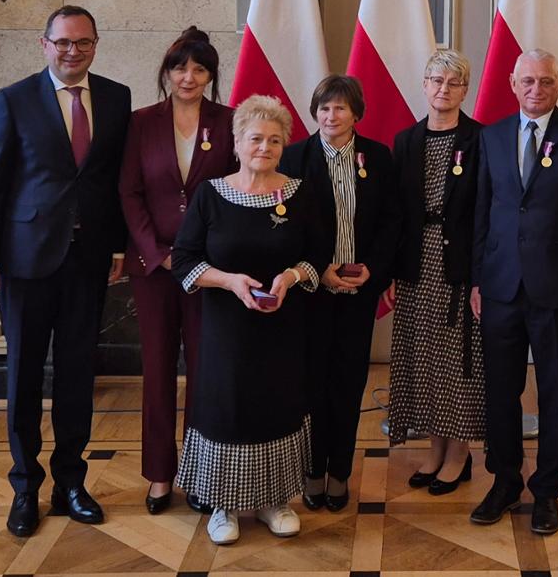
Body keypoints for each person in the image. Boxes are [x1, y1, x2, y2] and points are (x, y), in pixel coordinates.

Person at [0, 5, 131, 538]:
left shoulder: (116, 97)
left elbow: (114, 182)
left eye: (83, 42)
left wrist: (119, 247)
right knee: (24, 378)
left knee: (79, 377)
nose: (72, 51)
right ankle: (24, 488)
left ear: (95, 44)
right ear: (44, 45)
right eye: (62, 42)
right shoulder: (13, 99)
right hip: (25, 261)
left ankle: (70, 483)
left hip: (87, 263)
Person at [170, 95, 330, 545]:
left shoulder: (300, 194)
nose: (265, 147)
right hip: (226, 330)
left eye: (275, 141)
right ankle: (223, 504)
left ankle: (274, 501)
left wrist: (292, 276)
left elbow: (318, 256)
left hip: (282, 326)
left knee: (277, 406)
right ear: (237, 142)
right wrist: (229, 281)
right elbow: (184, 260)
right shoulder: (211, 194)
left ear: (284, 147)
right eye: (256, 138)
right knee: (227, 408)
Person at [468, 50, 558, 535]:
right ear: (512, 82)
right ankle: (505, 481)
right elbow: (482, 212)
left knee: (554, 393)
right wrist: (477, 281)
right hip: (501, 287)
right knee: (500, 393)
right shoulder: (492, 136)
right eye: (527, 81)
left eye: (545, 82)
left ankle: (547, 490)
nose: (535, 89)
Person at [118, 27, 237, 514]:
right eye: (180, 68)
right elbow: (128, 192)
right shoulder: (141, 122)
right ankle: (160, 475)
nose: (189, 77)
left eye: (200, 69)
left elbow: (236, 190)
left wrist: (202, 257)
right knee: (159, 371)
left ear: (211, 75)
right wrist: (157, 251)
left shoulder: (229, 122)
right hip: (155, 269)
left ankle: (202, 474)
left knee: (207, 372)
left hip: (210, 271)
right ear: (165, 73)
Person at [279, 75, 400, 512]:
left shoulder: (379, 158)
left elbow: (391, 223)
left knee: (348, 385)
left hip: (358, 292)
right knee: (311, 384)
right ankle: (311, 472)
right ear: (314, 113)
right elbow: (286, 228)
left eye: (340, 109)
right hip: (311, 291)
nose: (332, 116)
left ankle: (340, 472)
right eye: (324, 108)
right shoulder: (294, 158)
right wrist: (318, 271)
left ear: (356, 114)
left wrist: (375, 271)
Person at [387, 49, 485, 492]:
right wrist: (390, 269)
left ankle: (459, 453)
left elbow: (486, 214)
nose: (443, 90)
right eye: (436, 81)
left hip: (460, 266)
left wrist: (481, 276)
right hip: (414, 264)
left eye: (453, 83)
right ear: (424, 85)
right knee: (422, 358)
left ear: (465, 90)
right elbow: (396, 214)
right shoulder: (406, 141)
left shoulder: (481, 140)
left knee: (458, 363)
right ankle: (434, 448)